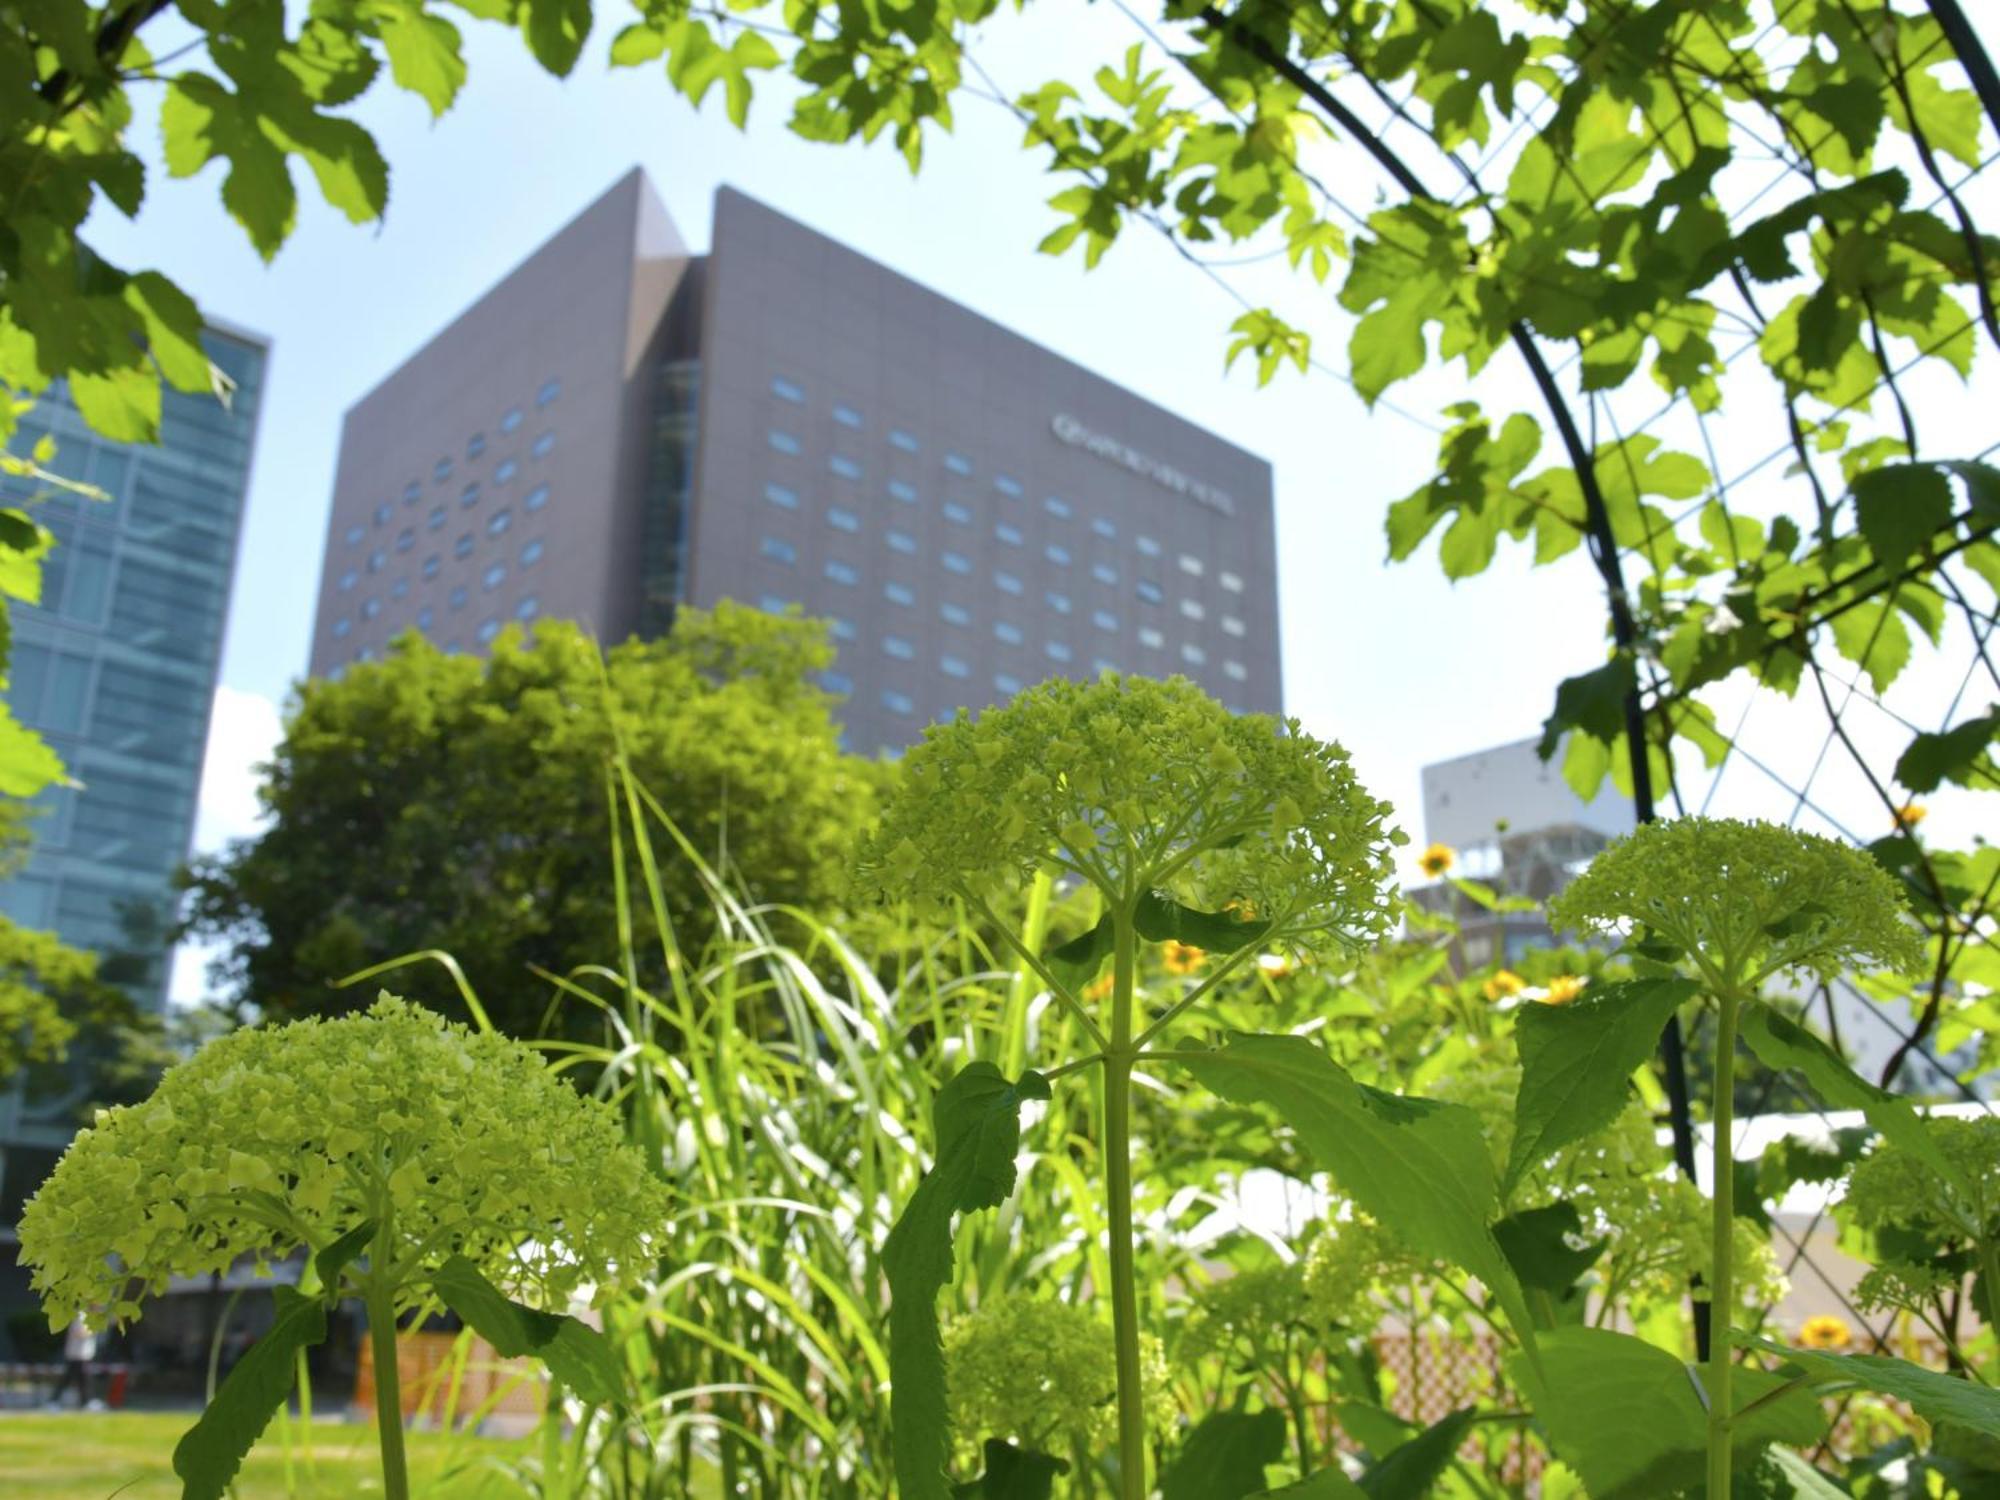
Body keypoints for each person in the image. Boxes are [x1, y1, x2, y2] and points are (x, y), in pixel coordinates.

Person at [45, 1313, 103, 1410]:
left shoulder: (87, 1316)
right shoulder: (80, 1315)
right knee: (74, 1379)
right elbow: (80, 1332)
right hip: (77, 1354)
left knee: (82, 1380)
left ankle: (86, 1401)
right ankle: (53, 1402)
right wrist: (95, 1328)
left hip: (83, 1355)